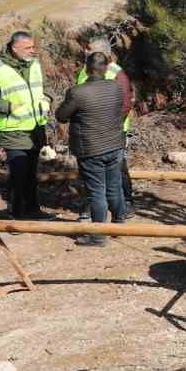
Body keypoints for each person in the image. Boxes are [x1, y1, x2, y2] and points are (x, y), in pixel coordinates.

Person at [56, 51, 133, 246]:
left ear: (87, 68)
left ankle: (98, 235)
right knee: (114, 185)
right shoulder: (115, 87)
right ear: (106, 68)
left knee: (96, 191)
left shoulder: (77, 92)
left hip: (91, 149)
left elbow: (62, 116)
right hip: (115, 145)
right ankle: (118, 223)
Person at [0, 30, 51, 219]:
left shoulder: (34, 63)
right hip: (13, 131)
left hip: (36, 129)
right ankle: (16, 215)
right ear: (14, 47)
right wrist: (8, 106)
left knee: (31, 174)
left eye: (33, 47)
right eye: (28, 48)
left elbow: (44, 87)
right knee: (19, 175)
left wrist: (48, 99)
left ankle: (33, 210)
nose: (33, 51)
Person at [74, 37, 134, 217]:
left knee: (118, 169)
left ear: (105, 54)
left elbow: (125, 105)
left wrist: (109, 125)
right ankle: (92, 205)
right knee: (90, 171)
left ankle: (126, 204)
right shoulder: (84, 71)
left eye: (90, 50)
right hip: (90, 132)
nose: (85, 52)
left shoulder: (117, 74)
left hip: (113, 131)